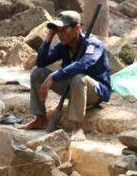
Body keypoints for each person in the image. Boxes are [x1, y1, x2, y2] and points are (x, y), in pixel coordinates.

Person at [23, 10, 111, 139]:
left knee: (78, 77)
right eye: (58, 31)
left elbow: (83, 64)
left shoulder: (93, 44)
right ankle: (40, 119)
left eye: (63, 30)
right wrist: (49, 36)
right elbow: (41, 62)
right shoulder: (63, 45)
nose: (60, 34)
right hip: (73, 88)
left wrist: (53, 76)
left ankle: (78, 127)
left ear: (77, 28)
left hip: (95, 92)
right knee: (38, 73)